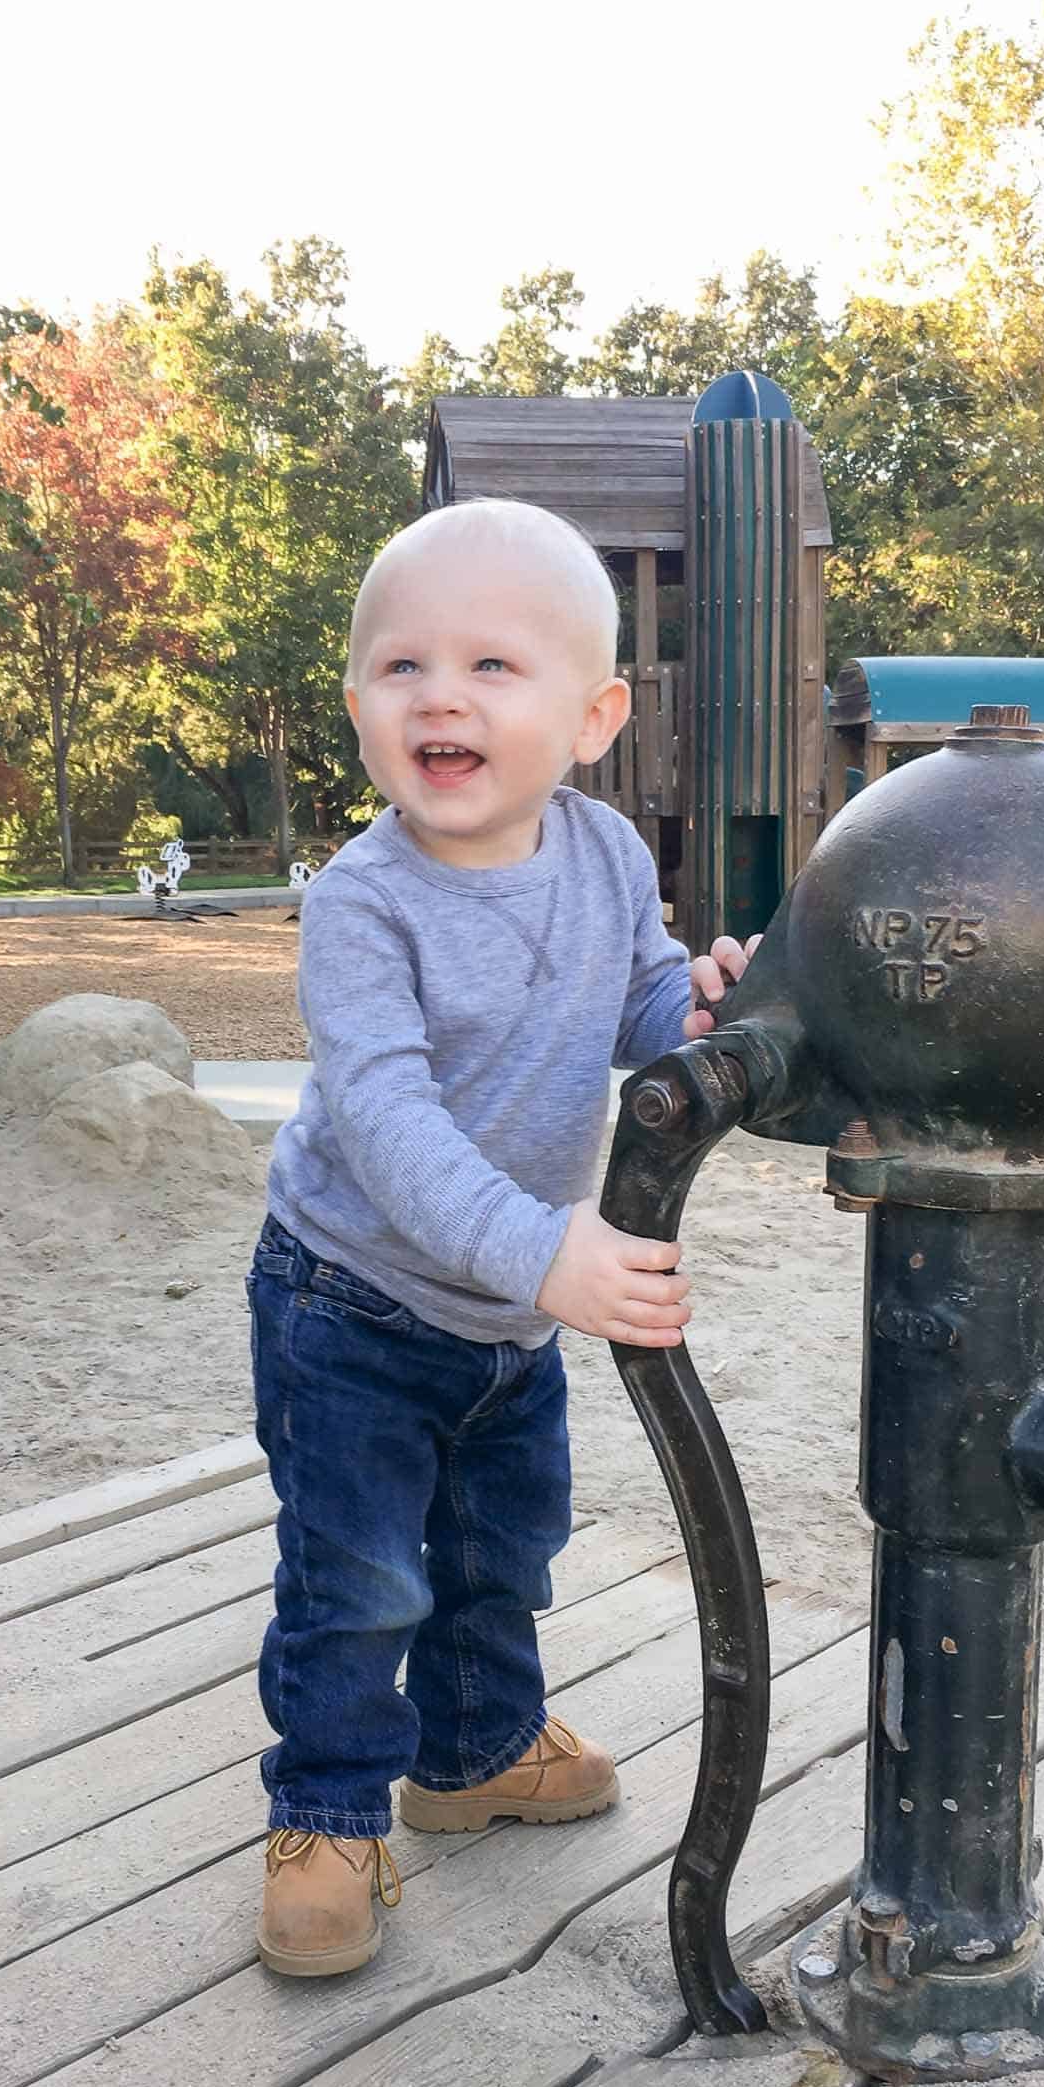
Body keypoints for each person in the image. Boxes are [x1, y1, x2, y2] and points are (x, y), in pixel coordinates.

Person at [248, 498, 756, 1977]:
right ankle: (330, 1815)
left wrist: (705, 1012)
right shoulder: (361, 905)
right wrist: (550, 1251)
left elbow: (641, 1005)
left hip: (506, 1317)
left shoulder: (600, 859)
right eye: (402, 668)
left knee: (500, 1550)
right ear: (360, 712)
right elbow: (394, 1133)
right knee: (359, 1584)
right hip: (349, 1303)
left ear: (591, 718)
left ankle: (471, 1754)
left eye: (491, 665)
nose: (442, 695)